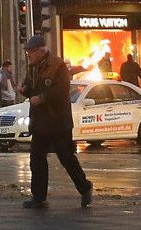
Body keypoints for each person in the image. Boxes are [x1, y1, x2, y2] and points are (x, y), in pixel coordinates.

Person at [19, 35, 91, 209]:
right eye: (28, 52)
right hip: (40, 122)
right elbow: (31, 88)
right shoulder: (32, 68)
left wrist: (42, 98)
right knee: (36, 159)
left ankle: (85, 187)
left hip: (58, 121)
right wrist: (24, 90)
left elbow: (62, 90)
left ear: (41, 51)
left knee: (66, 157)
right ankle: (39, 197)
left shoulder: (58, 66)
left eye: (31, 52)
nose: (29, 55)